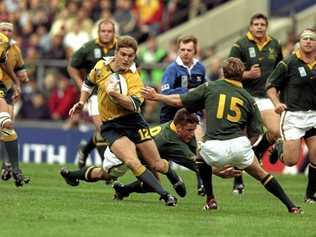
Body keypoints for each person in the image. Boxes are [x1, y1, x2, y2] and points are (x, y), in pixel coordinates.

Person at [141, 57, 302, 214]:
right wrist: (247, 149)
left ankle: (210, 199)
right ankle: (291, 206)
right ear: (242, 75)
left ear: (223, 73)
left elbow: (178, 101)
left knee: (199, 156)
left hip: (214, 147)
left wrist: (157, 96)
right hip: (239, 145)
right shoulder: (248, 98)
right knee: (262, 175)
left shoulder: (210, 86)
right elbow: (257, 132)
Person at [68, 35, 181, 206]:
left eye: (130, 56)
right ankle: (166, 195)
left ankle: (172, 175)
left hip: (133, 121)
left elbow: (134, 105)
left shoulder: (134, 77)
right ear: (116, 53)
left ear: (135, 56)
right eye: (123, 54)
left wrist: (115, 95)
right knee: (131, 162)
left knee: (156, 164)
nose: (126, 59)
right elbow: (88, 83)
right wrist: (82, 101)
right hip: (112, 125)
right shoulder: (101, 66)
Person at [61, 108, 241, 199]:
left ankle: (123, 190)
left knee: (151, 181)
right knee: (104, 173)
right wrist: (218, 172)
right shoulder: (169, 140)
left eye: (194, 129)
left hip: (145, 158)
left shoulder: (181, 133)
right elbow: (196, 164)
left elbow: (199, 159)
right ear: (178, 127)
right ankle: (73, 175)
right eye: (189, 130)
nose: (192, 133)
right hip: (125, 151)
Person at [228, 13, 283, 194]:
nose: (259, 27)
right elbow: (228, 72)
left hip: (266, 96)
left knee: (275, 131)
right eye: (256, 24)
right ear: (250, 27)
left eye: (262, 24)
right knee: (241, 139)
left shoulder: (274, 44)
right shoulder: (240, 45)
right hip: (245, 97)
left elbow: (280, 70)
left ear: (266, 26)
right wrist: (247, 75)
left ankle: (258, 151)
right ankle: (238, 180)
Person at [266, 28, 316, 204]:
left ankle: (310, 195)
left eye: (312, 38)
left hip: (314, 116)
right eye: (305, 38)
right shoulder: (288, 63)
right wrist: (276, 103)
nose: (308, 41)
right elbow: (271, 85)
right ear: (300, 42)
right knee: (291, 161)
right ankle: (279, 147)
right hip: (293, 116)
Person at [159, 34, 207, 194]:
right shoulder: (172, 69)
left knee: (199, 149)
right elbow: (165, 93)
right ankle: (169, 182)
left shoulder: (201, 68)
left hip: (192, 118)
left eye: (189, 50)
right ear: (178, 50)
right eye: (182, 49)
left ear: (195, 50)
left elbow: (205, 90)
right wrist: (187, 92)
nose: (185, 53)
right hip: (170, 119)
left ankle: (202, 183)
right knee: (160, 159)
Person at [67, 19, 117, 169]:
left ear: (114, 33)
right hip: (95, 93)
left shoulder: (121, 47)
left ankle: (85, 150)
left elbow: (136, 66)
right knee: (102, 128)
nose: (106, 34)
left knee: (108, 129)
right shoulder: (88, 48)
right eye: (103, 31)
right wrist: (80, 84)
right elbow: (72, 66)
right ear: (98, 32)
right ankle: (107, 167)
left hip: (116, 95)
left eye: (109, 31)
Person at [0, 22, 30, 187]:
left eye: (9, 30)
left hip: (4, 89)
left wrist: (18, 81)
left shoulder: (12, 49)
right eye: (3, 30)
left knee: (7, 124)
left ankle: (13, 168)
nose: (5, 33)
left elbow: (7, 66)